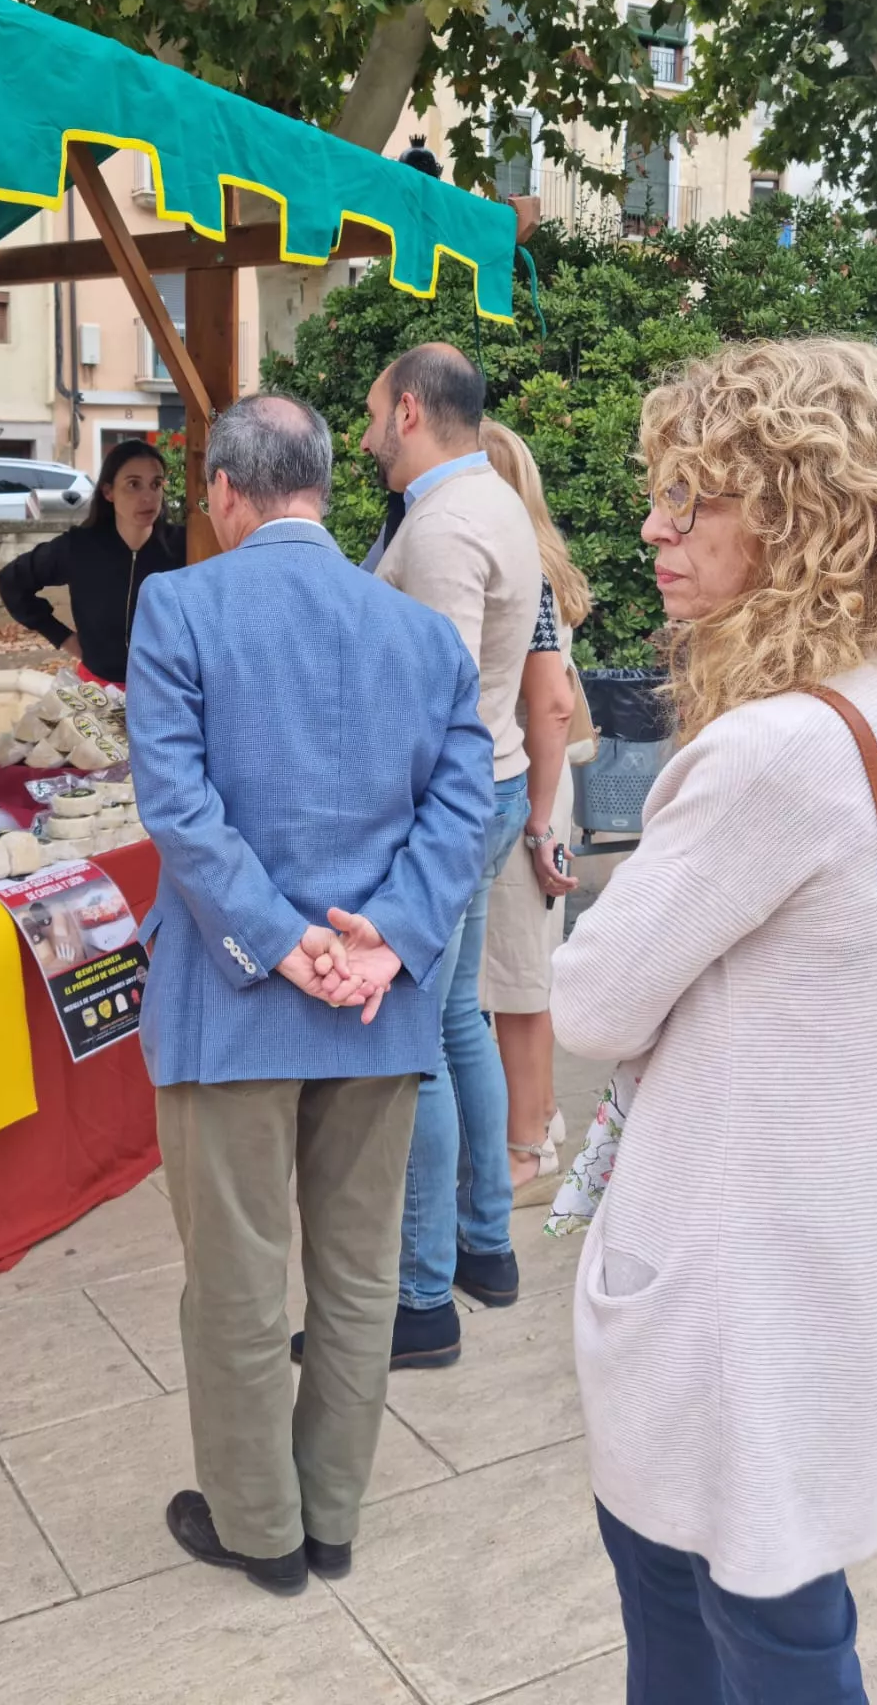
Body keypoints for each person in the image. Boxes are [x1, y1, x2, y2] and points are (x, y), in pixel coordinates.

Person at [551, 339, 877, 1702]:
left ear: (799, 514)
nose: (654, 527)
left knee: (732, 1622)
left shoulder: (775, 748)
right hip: (842, 1236)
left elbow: (589, 998)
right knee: (777, 1605)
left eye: (692, 498)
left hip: (732, 1278)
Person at [126, 393, 491, 1597]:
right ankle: (329, 1514)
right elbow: (464, 804)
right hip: (374, 1006)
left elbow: (178, 806)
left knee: (236, 1281)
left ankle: (260, 1528)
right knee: (358, 1274)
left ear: (226, 490)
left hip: (232, 1001)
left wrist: (283, 944)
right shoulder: (420, 633)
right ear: (325, 484)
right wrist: (386, 944)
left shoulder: (179, 605)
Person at [360, 342, 542, 1362]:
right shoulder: (489, 500)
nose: (364, 437)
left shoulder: (442, 526)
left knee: (417, 1043)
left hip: (450, 802)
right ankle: (485, 1247)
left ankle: (422, 1299)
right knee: (461, 1021)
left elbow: (434, 702)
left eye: (372, 414)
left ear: (410, 412)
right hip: (493, 786)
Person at [476, 419, 592, 1197]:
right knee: (528, 968)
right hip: (542, 786)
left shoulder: (521, 575)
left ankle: (527, 1146)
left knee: (518, 977)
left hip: (529, 789)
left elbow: (549, 707)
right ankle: (542, 1116)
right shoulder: (544, 566)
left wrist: (537, 824)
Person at [0, 439, 185, 686]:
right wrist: (63, 637)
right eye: (133, 484)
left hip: (166, 690)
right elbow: (11, 580)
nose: (148, 497)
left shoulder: (184, 547)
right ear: (108, 492)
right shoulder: (80, 547)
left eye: (156, 484)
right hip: (99, 689)